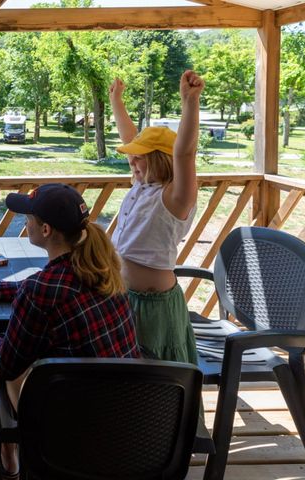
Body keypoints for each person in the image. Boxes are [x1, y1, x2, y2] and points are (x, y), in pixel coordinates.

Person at [0, 183, 140, 478]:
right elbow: (46, 288)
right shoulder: (101, 269)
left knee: (13, 368)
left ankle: (7, 455)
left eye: (29, 218)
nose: (25, 223)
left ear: (46, 230)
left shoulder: (44, 289)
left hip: (71, 434)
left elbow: (2, 362)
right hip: (127, 421)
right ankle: (10, 454)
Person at [108, 70, 204, 364]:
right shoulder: (142, 185)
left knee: (155, 376)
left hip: (155, 308)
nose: (132, 161)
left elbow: (185, 154)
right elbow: (129, 137)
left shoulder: (175, 197)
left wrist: (190, 103)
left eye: (139, 156)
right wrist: (116, 101)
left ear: (160, 159)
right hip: (123, 298)